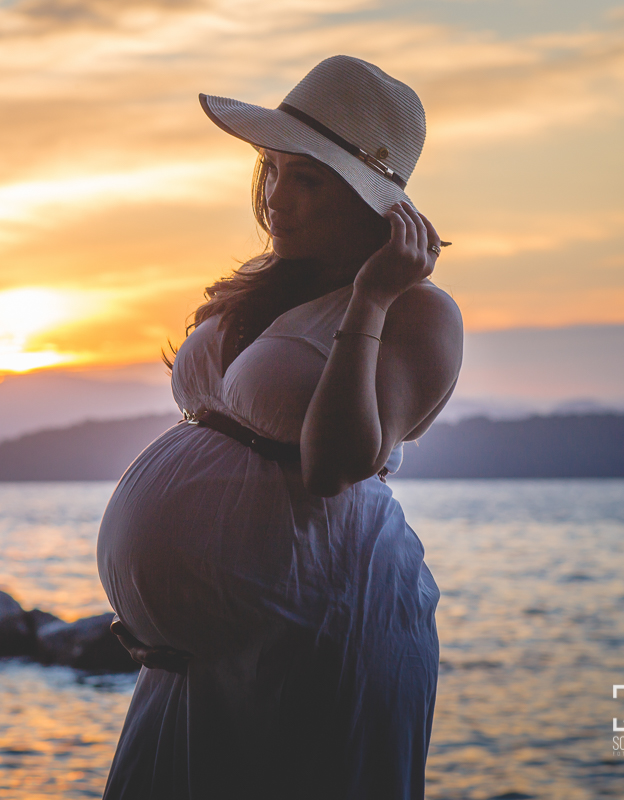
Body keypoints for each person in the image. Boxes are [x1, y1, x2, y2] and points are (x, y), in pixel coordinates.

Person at [95, 55, 463, 799]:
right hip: (199, 662)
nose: (275, 197)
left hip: (327, 631)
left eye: (307, 179)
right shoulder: (267, 285)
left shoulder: (418, 313)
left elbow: (335, 463)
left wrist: (370, 300)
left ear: (366, 202)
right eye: (272, 169)